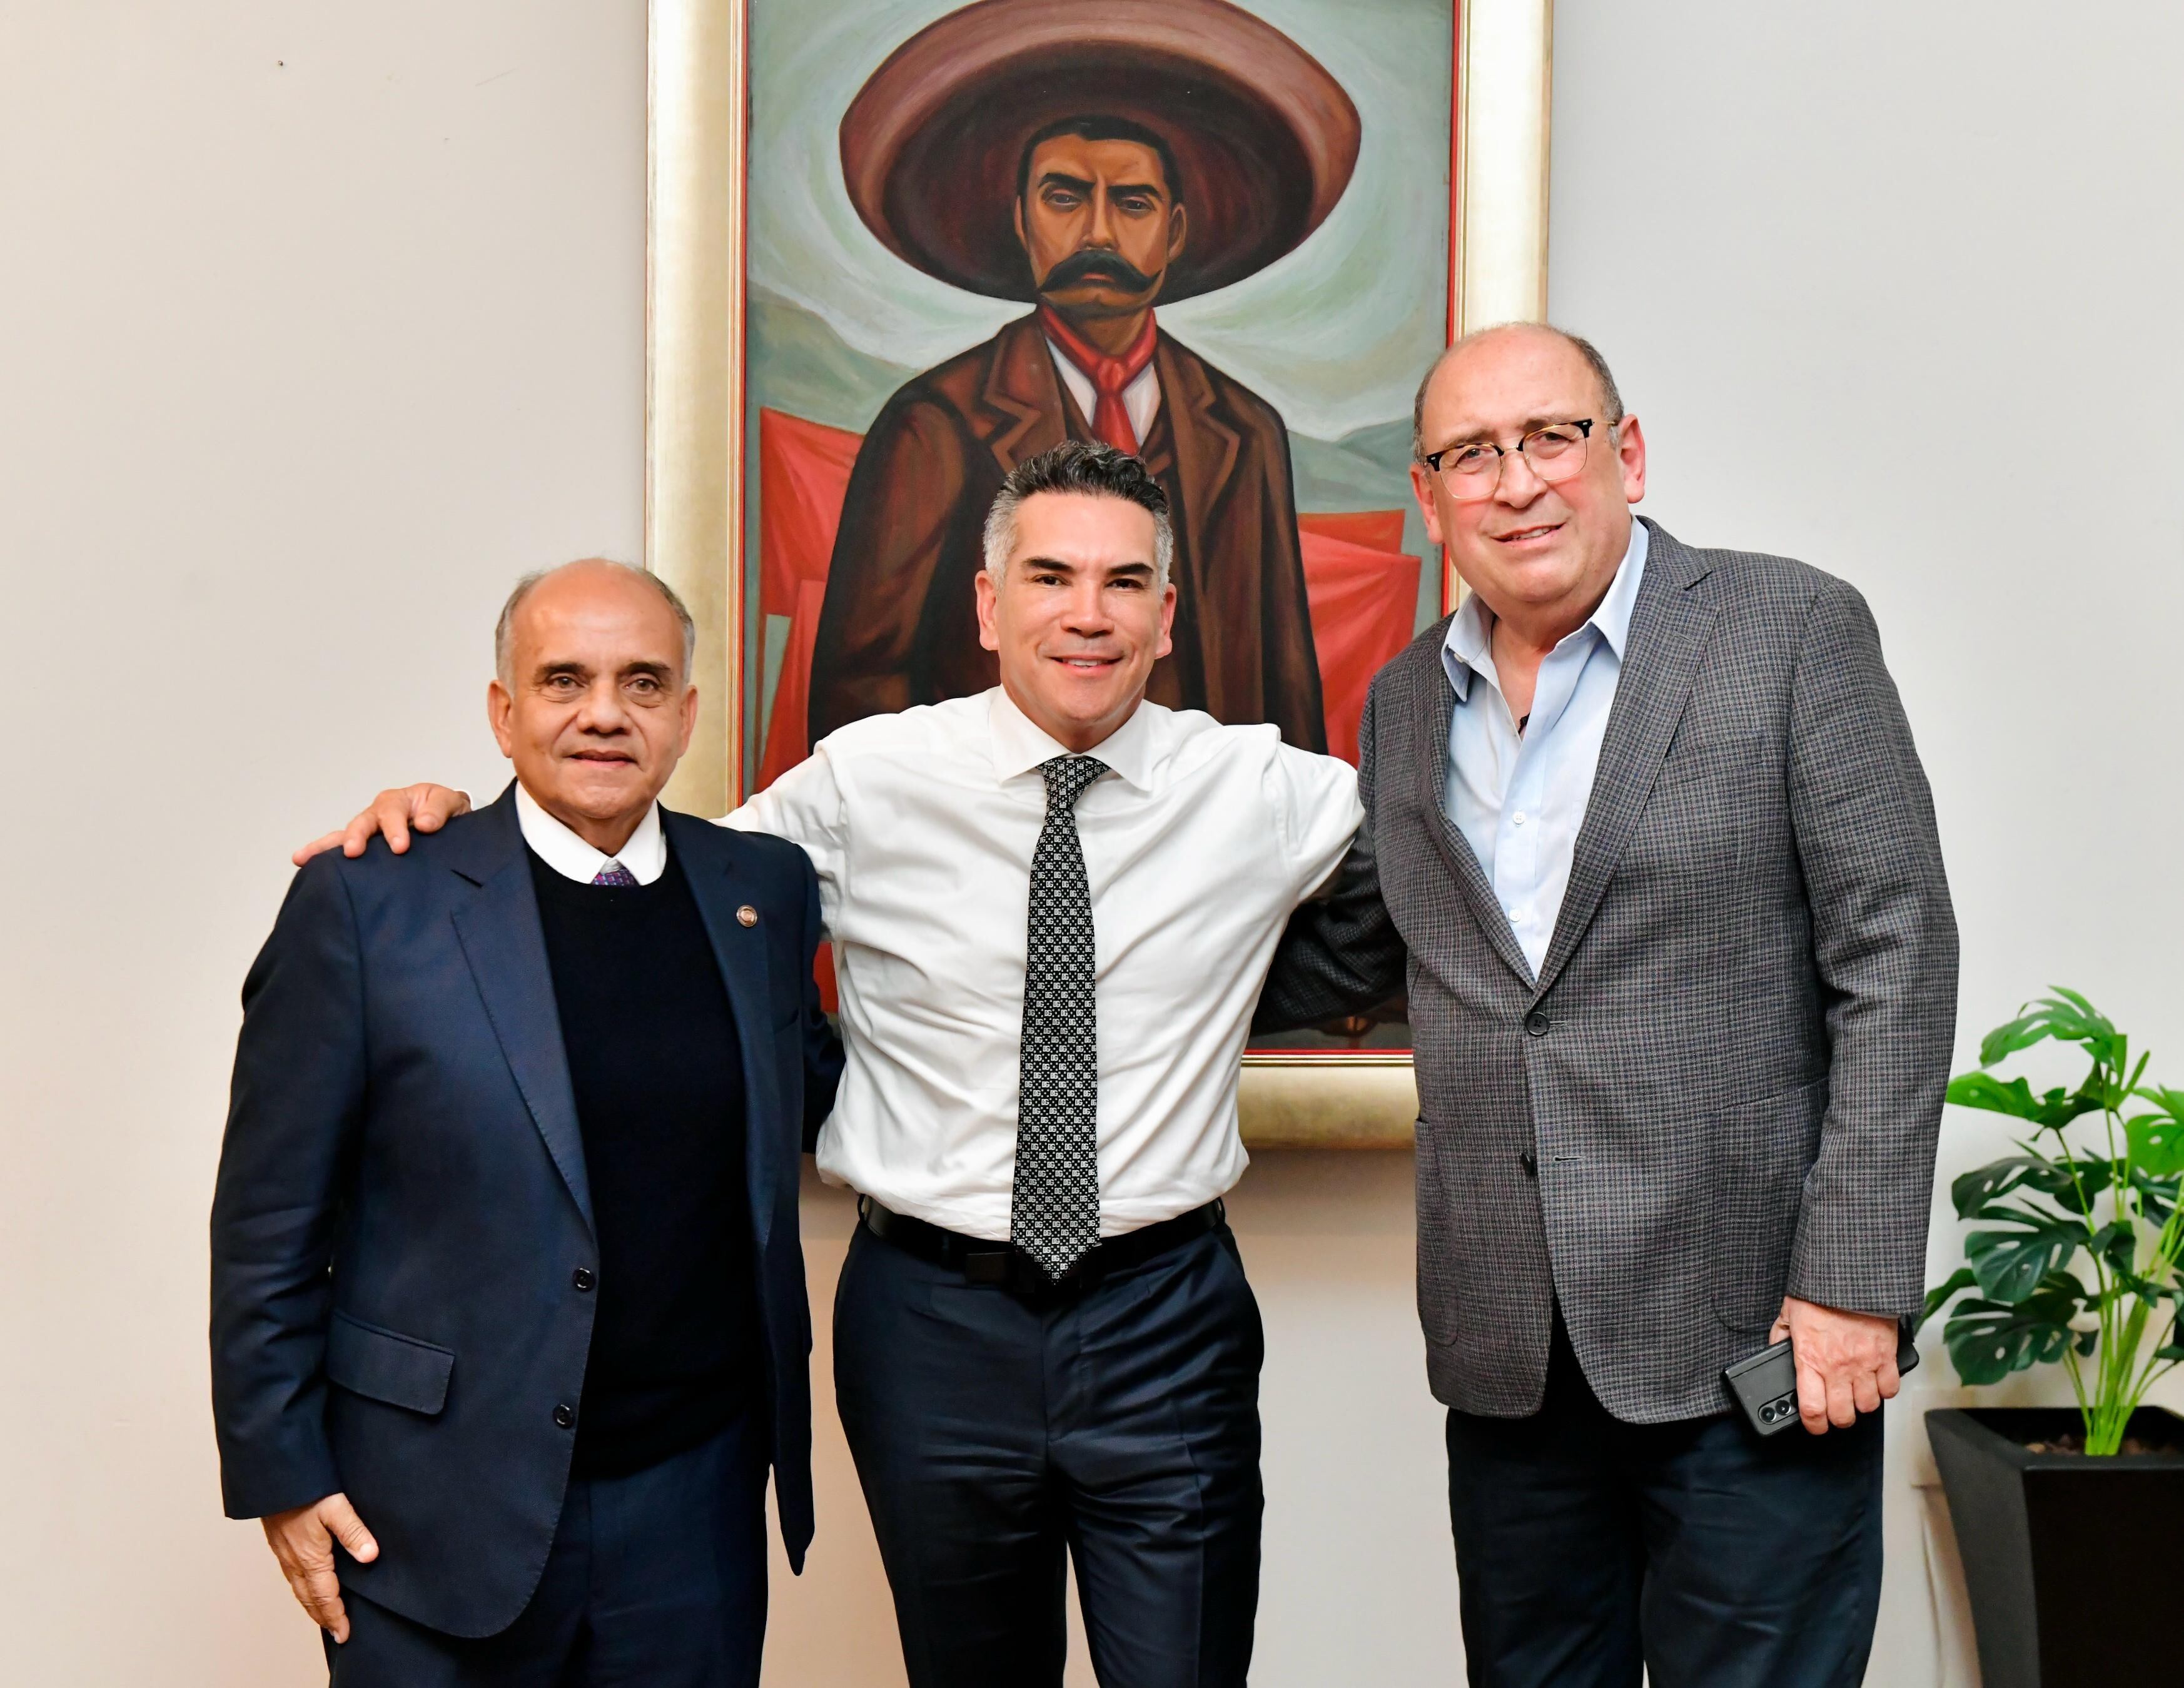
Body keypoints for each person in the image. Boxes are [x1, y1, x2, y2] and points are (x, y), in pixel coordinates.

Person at [301, 445, 1362, 1688]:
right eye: (1050, 575)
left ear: (1167, 615)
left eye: (1125, 581)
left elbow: (1460, 862)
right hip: (932, 1320)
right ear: (987, 602)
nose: (1088, 612)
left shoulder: (1268, 787)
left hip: (1163, 1318)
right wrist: (455, 830)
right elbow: (638, 882)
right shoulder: (873, 775)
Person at [1256, 323, 1958, 1687]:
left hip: (1760, 1331)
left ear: (1625, 454)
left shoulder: (1787, 627)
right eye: (1473, 453)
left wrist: (1854, 1282)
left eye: (1550, 437)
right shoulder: (1405, 702)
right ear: (1430, 496)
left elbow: (1897, 951)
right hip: (1511, 1349)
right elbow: (1386, 958)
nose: (1515, 481)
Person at [212, 560, 841, 1686]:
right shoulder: (369, 900)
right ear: (503, 713)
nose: (605, 711)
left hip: (691, 1505)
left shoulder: (763, 887)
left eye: (643, 682)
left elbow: (814, 1096)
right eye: (564, 679)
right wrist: (282, 1469)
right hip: (427, 1504)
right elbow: (267, 1218)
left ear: (686, 716)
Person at [809, 0, 1366, 751]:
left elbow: (1283, 685)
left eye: (1131, 203)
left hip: (1203, 846)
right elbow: (861, 693)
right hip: (998, 844)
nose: (1097, 232)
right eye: (1065, 198)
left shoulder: (1245, 427)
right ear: (1020, 220)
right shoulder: (933, 422)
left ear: (1173, 231)